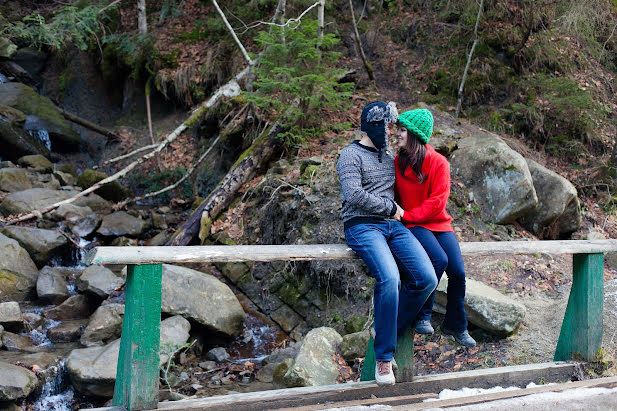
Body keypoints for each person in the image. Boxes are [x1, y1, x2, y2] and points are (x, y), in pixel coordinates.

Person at [336, 101, 438, 385]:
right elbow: (353, 194)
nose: (391, 131)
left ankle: (384, 332)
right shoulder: (349, 156)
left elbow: (413, 180)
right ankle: (383, 359)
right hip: (362, 226)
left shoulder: (389, 155)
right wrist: (389, 207)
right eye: (386, 126)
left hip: (394, 226)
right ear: (373, 125)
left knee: (427, 277)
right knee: (390, 277)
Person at [393, 108, 476, 348]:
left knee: (458, 272)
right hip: (413, 224)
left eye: (402, 130)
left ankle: (455, 326)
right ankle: (423, 315)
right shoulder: (399, 162)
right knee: (437, 259)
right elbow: (394, 193)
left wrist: (408, 213)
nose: (397, 134)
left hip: (436, 221)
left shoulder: (438, 162)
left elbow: (437, 202)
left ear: (414, 135)